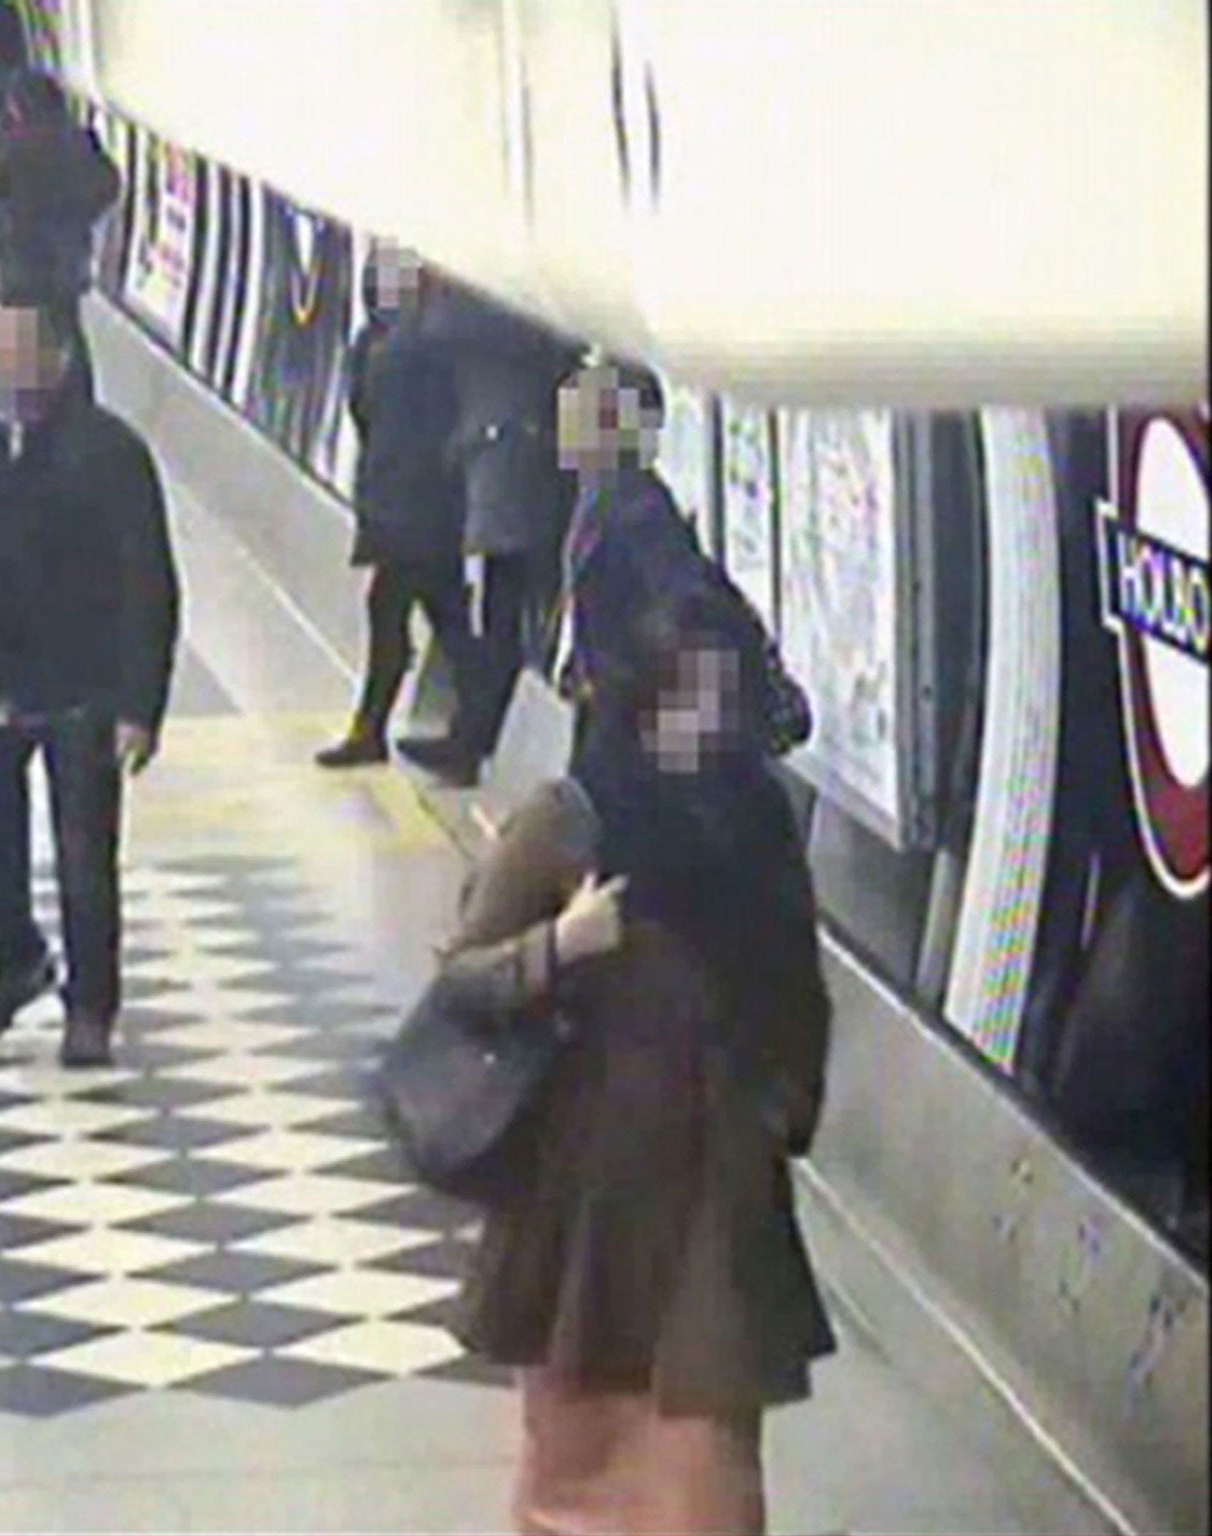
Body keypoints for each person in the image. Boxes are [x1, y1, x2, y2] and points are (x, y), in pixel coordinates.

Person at [435, 580, 835, 1535]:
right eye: (682, 699)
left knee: (709, 1473)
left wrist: (783, 1107)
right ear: (639, 703)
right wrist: (559, 947)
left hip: (715, 1194)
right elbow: (460, 981)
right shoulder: (572, 819)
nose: (703, 724)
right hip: (588, 1204)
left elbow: (796, 985)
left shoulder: (760, 824)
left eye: (721, 698)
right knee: (579, 1461)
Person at [0, 301, 180, 1068]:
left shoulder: (110, 454)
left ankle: (90, 1006)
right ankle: (15, 960)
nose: (11, 365)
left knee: (85, 859)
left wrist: (139, 707)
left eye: (27, 351)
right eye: (0, 348)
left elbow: (148, 585)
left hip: (81, 691)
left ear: (60, 360)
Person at [551, 358, 810, 769]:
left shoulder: (634, 509)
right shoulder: (609, 495)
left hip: (640, 733)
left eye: (581, 415)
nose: (565, 431)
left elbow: (679, 608)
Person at [398, 281, 584, 787]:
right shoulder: (491, 307)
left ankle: (472, 738)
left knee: (506, 608)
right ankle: (471, 734)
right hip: (509, 457)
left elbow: (437, 327)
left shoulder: (480, 305)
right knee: (505, 605)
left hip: (516, 460)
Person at [316, 244, 485, 768]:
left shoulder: (377, 344)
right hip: (422, 500)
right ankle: (469, 726)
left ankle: (379, 731)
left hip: (406, 502)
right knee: (441, 616)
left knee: (397, 611)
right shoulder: (437, 344)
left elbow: (361, 411)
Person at [0, 67, 120, 386]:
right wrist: (79, 217)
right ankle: (77, 400)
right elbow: (108, 185)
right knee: (66, 329)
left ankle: (26, 406)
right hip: (64, 261)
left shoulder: (7, 145)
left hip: (21, 261)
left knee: (23, 341)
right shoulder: (78, 140)